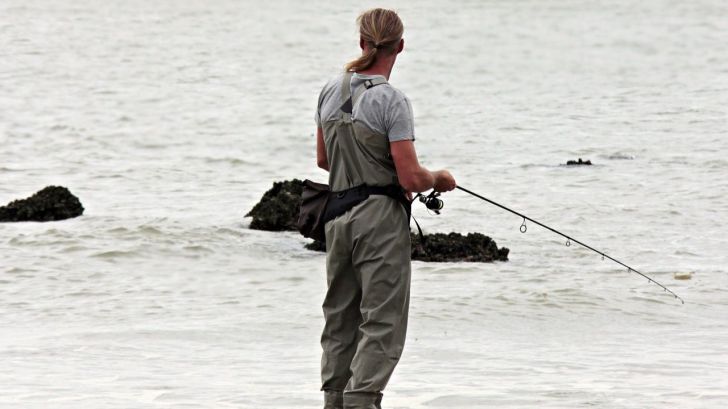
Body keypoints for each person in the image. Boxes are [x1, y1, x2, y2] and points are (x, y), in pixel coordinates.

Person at [314, 8, 456, 409]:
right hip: (379, 220)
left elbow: (324, 161)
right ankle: (362, 401)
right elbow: (411, 178)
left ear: (362, 42)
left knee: (340, 318)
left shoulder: (329, 90)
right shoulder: (392, 100)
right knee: (382, 321)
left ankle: (335, 401)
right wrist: (439, 178)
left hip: (337, 217)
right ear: (400, 47)